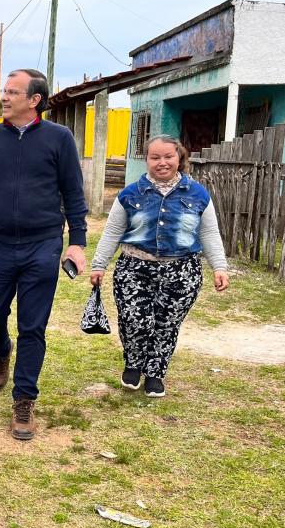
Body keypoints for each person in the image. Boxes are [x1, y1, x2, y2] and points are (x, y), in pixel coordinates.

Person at [0, 68, 88, 441]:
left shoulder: (59, 139)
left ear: (34, 100)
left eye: (12, 92)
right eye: (4, 90)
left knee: (33, 325)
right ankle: (1, 351)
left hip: (42, 244)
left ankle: (24, 401)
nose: (4, 97)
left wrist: (76, 242)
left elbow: (73, 194)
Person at [90, 135, 229, 398]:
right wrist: (99, 265)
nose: (162, 162)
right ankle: (133, 363)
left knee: (167, 324)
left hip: (182, 271)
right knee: (135, 320)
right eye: (155, 157)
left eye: (168, 157)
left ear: (179, 158)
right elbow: (112, 233)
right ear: (147, 160)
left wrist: (219, 267)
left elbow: (209, 233)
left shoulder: (198, 194)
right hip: (134, 268)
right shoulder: (130, 194)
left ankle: (155, 373)